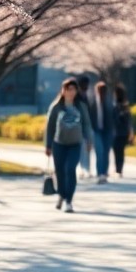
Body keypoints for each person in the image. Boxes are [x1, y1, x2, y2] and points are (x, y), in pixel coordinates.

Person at [44, 78, 87, 213]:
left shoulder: (80, 106)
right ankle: (61, 194)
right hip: (59, 144)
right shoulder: (56, 107)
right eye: (68, 89)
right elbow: (50, 127)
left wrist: (89, 140)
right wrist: (48, 145)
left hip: (75, 144)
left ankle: (68, 200)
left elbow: (87, 124)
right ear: (63, 91)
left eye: (73, 89)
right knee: (60, 172)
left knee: (70, 169)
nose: (70, 92)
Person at [88, 81, 115, 184]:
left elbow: (114, 116)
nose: (101, 93)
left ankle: (104, 173)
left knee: (106, 152)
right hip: (96, 130)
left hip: (107, 130)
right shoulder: (92, 102)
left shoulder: (110, 102)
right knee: (99, 152)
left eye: (103, 91)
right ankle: (100, 174)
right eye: (100, 90)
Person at [111, 85, 134, 178]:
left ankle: (118, 169)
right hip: (124, 132)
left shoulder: (115, 106)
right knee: (121, 151)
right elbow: (129, 120)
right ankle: (119, 169)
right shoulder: (126, 106)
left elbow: (113, 119)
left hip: (116, 132)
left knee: (117, 151)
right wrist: (131, 132)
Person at [74, 75, 94, 180]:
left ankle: (86, 168)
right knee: (82, 148)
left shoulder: (86, 97)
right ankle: (82, 168)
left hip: (86, 126)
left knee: (87, 148)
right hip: (78, 127)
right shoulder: (76, 97)